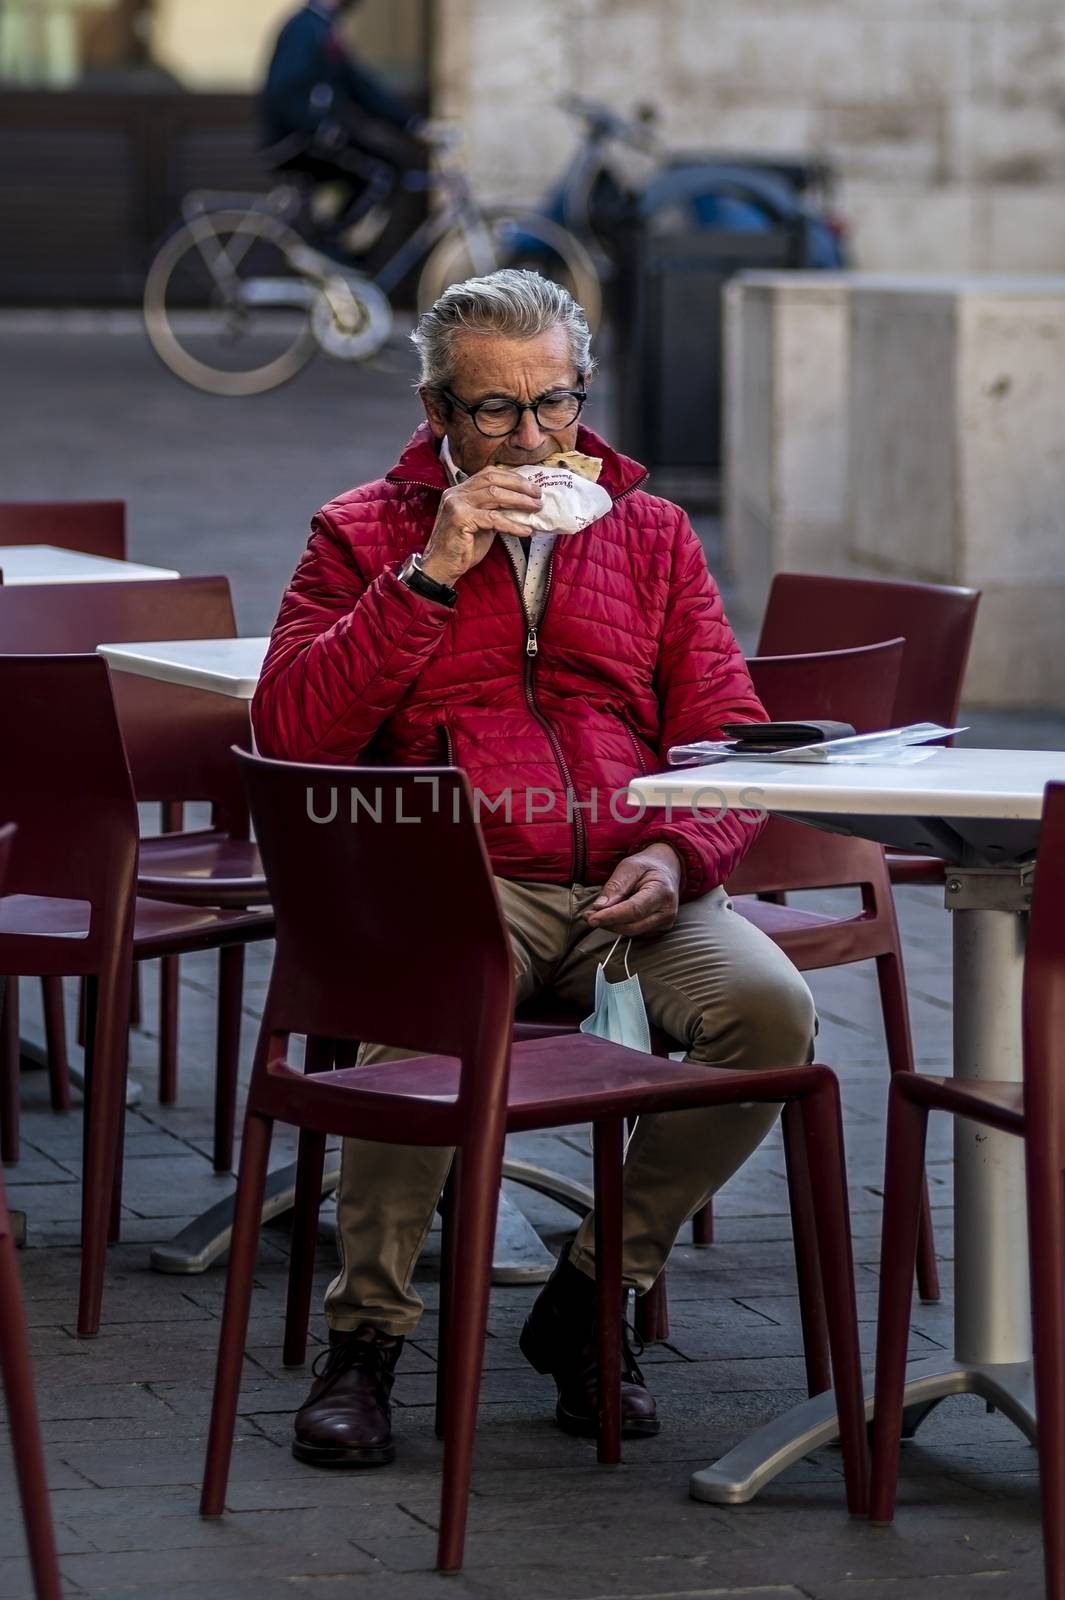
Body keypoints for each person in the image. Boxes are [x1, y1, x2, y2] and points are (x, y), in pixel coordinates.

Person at [251, 268, 815, 1469]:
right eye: (495, 412)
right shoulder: (362, 532)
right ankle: (367, 1340)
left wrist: (677, 849)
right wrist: (429, 576)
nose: (531, 437)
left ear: (581, 397)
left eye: (553, 405)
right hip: (462, 880)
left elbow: (725, 730)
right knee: (418, 1016)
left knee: (772, 1011)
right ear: (439, 415)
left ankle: (592, 1292)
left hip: (633, 879)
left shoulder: (652, 533)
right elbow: (296, 736)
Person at [259, 0, 423, 245]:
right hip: (296, 141)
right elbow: (285, 90)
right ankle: (329, 250)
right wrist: (319, 126)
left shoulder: (322, 26)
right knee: (379, 176)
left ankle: (339, 254)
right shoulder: (305, 27)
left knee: (384, 170)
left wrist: (410, 122)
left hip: (311, 137)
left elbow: (359, 85)